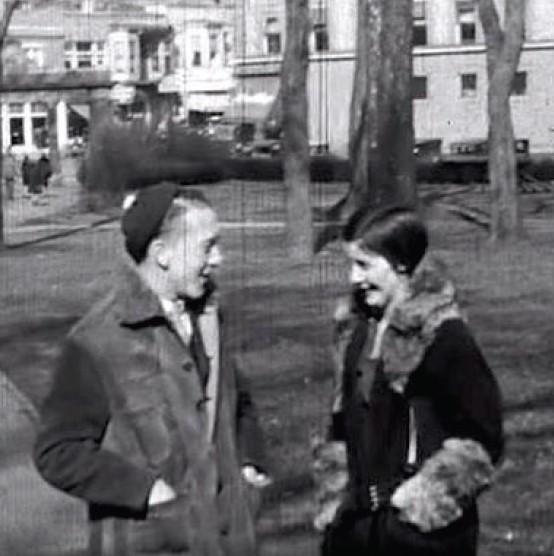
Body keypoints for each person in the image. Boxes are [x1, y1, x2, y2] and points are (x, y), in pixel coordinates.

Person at [34, 182, 270, 556]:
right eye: (208, 246)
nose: (219, 258)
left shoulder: (211, 318)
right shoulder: (97, 339)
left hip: (228, 539)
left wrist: (251, 463)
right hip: (151, 542)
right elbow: (58, 452)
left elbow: (240, 403)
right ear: (163, 254)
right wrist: (147, 491)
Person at [318, 206, 504, 556]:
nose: (353, 279)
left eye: (364, 265)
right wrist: (336, 502)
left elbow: (483, 438)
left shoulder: (444, 337)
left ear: (401, 265)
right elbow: (343, 426)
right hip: (356, 533)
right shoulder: (355, 332)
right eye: (351, 265)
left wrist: (420, 503)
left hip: (422, 539)